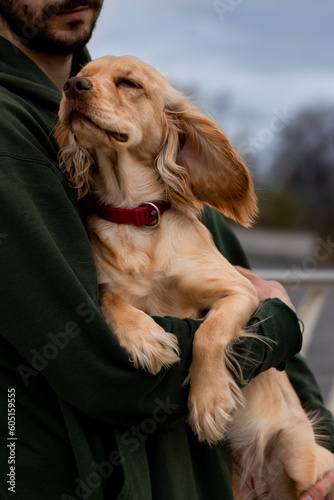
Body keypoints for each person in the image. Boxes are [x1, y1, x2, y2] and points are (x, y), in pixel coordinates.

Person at [0, 1, 333, 499]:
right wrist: (278, 321)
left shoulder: (159, 172)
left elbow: (244, 286)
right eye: (88, 85)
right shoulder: (14, 128)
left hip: (221, 470)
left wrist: (324, 447)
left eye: (127, 86)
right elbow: (102, 369)